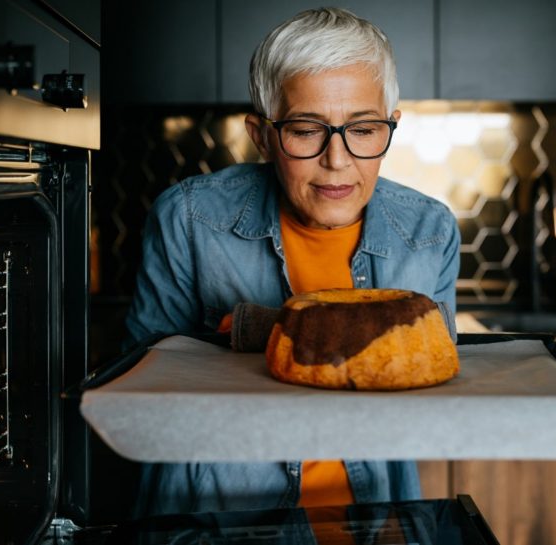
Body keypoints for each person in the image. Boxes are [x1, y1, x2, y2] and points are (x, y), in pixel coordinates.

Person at [123, 7, 459, 517]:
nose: (338, 159)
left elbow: (437, 385)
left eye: (364, 129)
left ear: (391, 125)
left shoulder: (429, 232)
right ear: (261, 136)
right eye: (306, 130)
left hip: (376, 518)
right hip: (216, 519)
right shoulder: (188, 219)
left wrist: (264, 328)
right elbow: (140, 397)